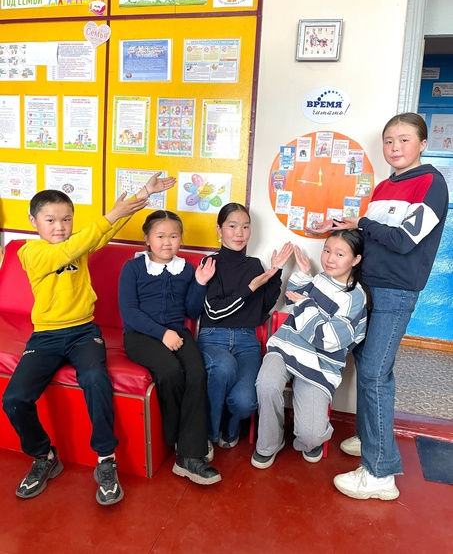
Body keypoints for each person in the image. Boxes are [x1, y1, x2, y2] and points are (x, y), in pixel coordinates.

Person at [2, 173, 176, 505]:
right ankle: (43, 455)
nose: (60, 227)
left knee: (96, 379)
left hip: (83, 332)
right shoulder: (31, 252)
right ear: (33, 221)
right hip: (46, 336)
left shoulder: (77, 244)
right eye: (51, 220)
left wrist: (144, 193)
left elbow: (106, 229)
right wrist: (108, 217)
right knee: (14, 399)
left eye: (67, 219)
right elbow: (72, 247)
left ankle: (106, 459)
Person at [306, 112, 448, 500]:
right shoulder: (385, 185)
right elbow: (371, 237)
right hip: (367, 287)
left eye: (404, 140)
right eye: (388, 141)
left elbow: (403, 240)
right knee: (370, 368)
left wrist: (362, 223)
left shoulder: (432, 183)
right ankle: (371, 438)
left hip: (395, 291)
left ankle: (380, 473)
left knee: (373, 374)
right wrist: (342, 229)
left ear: (422, 144)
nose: (395, 147)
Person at [118, 210, 221, 486]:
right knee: (170, 371)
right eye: (160, 236)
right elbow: (129, 312)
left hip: (176, 332)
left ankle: (187, 455)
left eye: (173, 236)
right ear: (147, 239)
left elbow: (191, 310)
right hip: (140, 335)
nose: (167, 242)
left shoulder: (186, 269)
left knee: (197, 373)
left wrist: (200, 283)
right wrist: (162, 333)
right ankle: (180, 440)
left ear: (181, 239)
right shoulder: (133, 268)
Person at [251, 232, 367, 469]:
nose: (330, 258)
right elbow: (292, 302)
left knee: (312, 436)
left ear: (356, 260)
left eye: (339, 254)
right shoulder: (320, 278)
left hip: (321, 364)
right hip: (286, 345)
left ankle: (308, 439)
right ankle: (270, 443)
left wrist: (306, 305)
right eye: (327, 250)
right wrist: (304, 275)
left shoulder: (356, 297)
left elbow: (329, 339)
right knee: (266, 383)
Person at [197, 203, 293, 460]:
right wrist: (250, 288)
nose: (239, 233)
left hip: (247, 341)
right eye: (232, 226)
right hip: (213, 337)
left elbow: (263, 308)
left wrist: (275, 272)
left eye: (245, 226)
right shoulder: (209, 263)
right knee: (223, 367)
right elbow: (214, 312)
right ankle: (206, 435)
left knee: (246, 402)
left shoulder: (254, 265)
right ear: (219, 230)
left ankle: (229, 430)